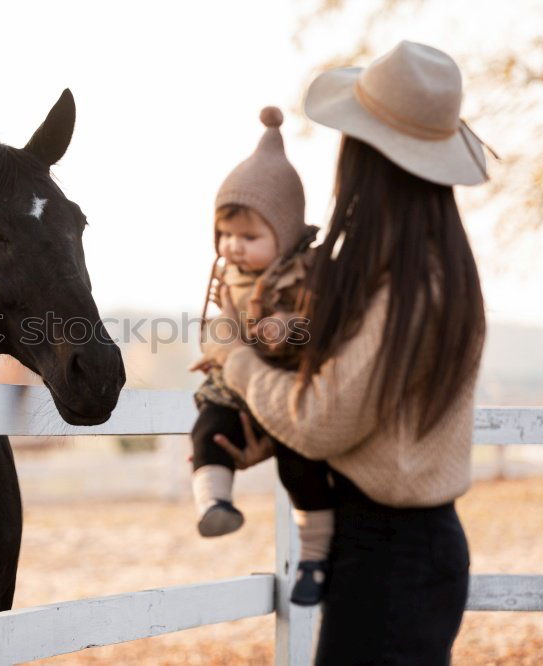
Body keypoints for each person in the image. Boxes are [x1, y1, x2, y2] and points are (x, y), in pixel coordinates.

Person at [200, 41, 490, 664]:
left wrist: (237, 361)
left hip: (391, 555)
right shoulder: (426, 269)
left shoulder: (409, 288)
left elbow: (321, 418)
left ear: (368, 160)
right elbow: (359, 412)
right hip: (400, 547)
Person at [188, 106, 336, 605]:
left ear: (286, 233)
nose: (233, 247)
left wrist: (290, 326)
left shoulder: (307, 274)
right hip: (236, 385)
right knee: (208, 428)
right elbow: (218, 328)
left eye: (249, 237)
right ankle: (214, 502)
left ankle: (315, 553)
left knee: (300, 467)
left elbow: (324, 325)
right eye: (225, 235)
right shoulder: (226, 278)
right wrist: (215, 351)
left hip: (285, 386)